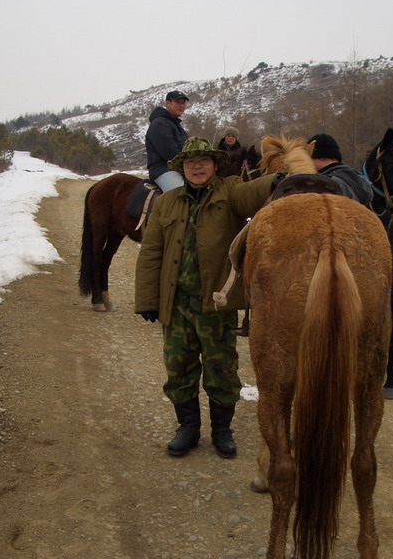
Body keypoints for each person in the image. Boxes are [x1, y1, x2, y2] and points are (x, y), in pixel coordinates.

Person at [135, 137, 282, 459]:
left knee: (222, 371)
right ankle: (187, 428)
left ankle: (221, 431)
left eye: (203, 161)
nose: (197, 167)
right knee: (179, 370)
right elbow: (151, 252)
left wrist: (280, 177)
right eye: (191, 162)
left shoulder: (229, 192)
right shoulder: (167, 202)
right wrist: (147, 299)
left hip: (215, 306)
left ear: (215, 165)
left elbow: (253, 192)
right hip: (176, 306)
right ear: (182, 168)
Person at [307, 133, 373, 205]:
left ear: (320, 157)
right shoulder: (354, 180)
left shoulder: (327, 184)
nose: (306, 162)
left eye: (307, 158)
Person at [145, 90, 189, 192]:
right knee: (182, 194)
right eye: (178, 102)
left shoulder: (176, 124)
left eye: (183, 103)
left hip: (180, 168)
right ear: (168, 103)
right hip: (164, 169)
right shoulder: (159, 123)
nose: (181, 106)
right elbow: (171, 153)